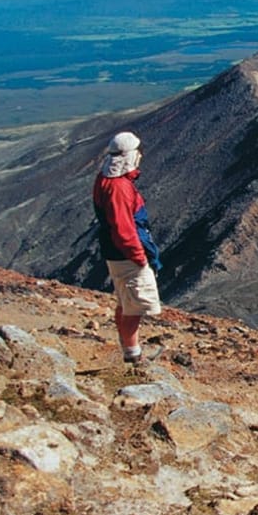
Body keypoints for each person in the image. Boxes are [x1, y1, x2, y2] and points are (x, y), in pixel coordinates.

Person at [92, 131, 163, 364]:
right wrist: (140, 258)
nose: (141, 156)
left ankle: (130, 349)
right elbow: (124, 229)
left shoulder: (105, 180)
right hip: (126, 254)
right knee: (134, 305)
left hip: (115, 251)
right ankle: (134, 357)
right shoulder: (119, 187)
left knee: (125, 302)